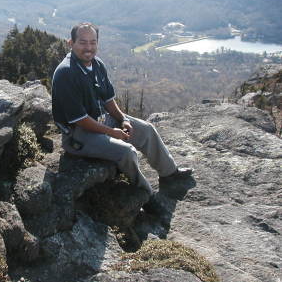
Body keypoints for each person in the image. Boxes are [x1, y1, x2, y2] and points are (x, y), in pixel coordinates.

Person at [51, 22, 193, 204]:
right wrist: (111, 132)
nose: (88, 48)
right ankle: (147, 197)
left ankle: (170, 173)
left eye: (93, 42)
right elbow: (80, 120)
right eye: (83, 42)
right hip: (79, 135)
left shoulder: (97, 65)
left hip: (102, 121)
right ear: (70, 43)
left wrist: (123, 119)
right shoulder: (66, 73)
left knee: (147, 129)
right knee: (127, 152)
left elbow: (109, 100)